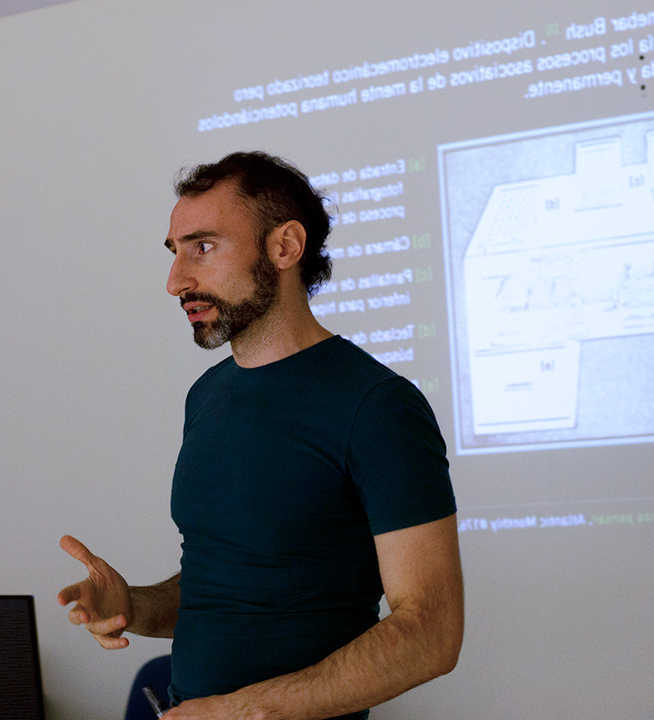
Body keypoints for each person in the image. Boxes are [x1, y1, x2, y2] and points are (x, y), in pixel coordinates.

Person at [58, 151, 463, 720]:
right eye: (175, 253)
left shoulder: (378, 406)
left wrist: (247, 712)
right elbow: (230, 586)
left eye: (203, 247)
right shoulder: (207, 395)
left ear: (285, 247)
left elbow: (431, 633)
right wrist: (136, 605)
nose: (176, 280)